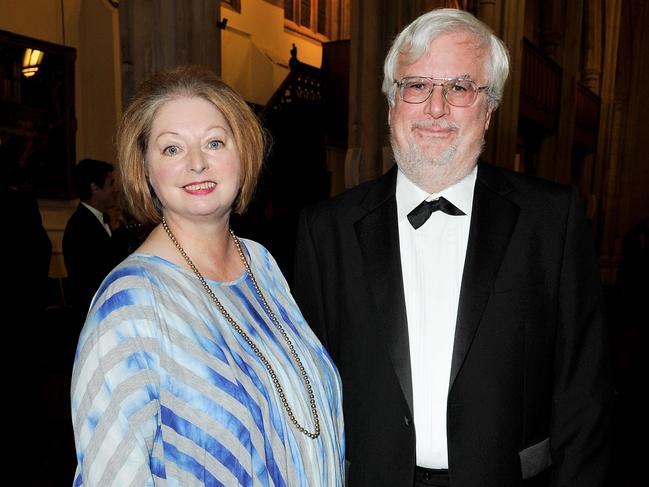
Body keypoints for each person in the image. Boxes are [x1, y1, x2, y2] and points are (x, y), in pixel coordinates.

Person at [293, 8, 612, 487]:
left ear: (489, 109)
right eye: (417, 85)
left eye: (459, 88)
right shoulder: (326, 229)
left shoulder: (551, 219)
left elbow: (583, 391)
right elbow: (306, 394)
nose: (435, 107)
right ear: (391, 104)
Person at [71, 65, 344, 486]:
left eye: (215, 142)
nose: (197, 163)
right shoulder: (130, 303)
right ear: (144, 168)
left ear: (244, 153)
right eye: (171, 149)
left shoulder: (261, 264)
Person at [62, 158, 120, 319]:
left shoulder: (99, 220)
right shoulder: (79, 227)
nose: (116, 189)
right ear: (94, 188)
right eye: (111, 183)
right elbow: (90, 281)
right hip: (96, 314)